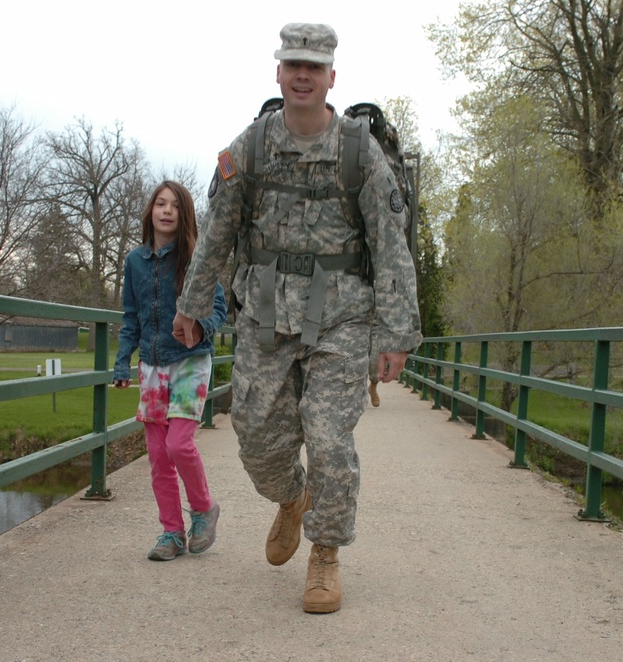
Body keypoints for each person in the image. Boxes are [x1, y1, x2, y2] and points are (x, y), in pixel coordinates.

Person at [173, 24, 421, 612]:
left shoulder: (360, 152)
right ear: (278, 74)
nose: (303, 75)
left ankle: (326, 556)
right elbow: (214, 235)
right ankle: (291, 498)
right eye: (293, 65)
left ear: (332, 77)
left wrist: (396, 334)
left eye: (314, 66)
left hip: (342, 320)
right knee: (257, 441)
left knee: (330, 438)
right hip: (264, 315)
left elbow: (391, 246)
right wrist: (190, 306)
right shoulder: (250, 149)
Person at [114, 180, 227, 562]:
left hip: (191, 360)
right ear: (150, 212)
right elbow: (131, 317)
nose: (165, 211)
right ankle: (171, 533)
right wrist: (121, 361)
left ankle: (203, 510)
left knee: (179, 444)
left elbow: (219, 311)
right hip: (151, 364)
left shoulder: (196, 258)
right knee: (158, 455)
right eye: (159, 204)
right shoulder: (134, 262)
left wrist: (200, 327)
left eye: (174, 205)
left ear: (184, 214)